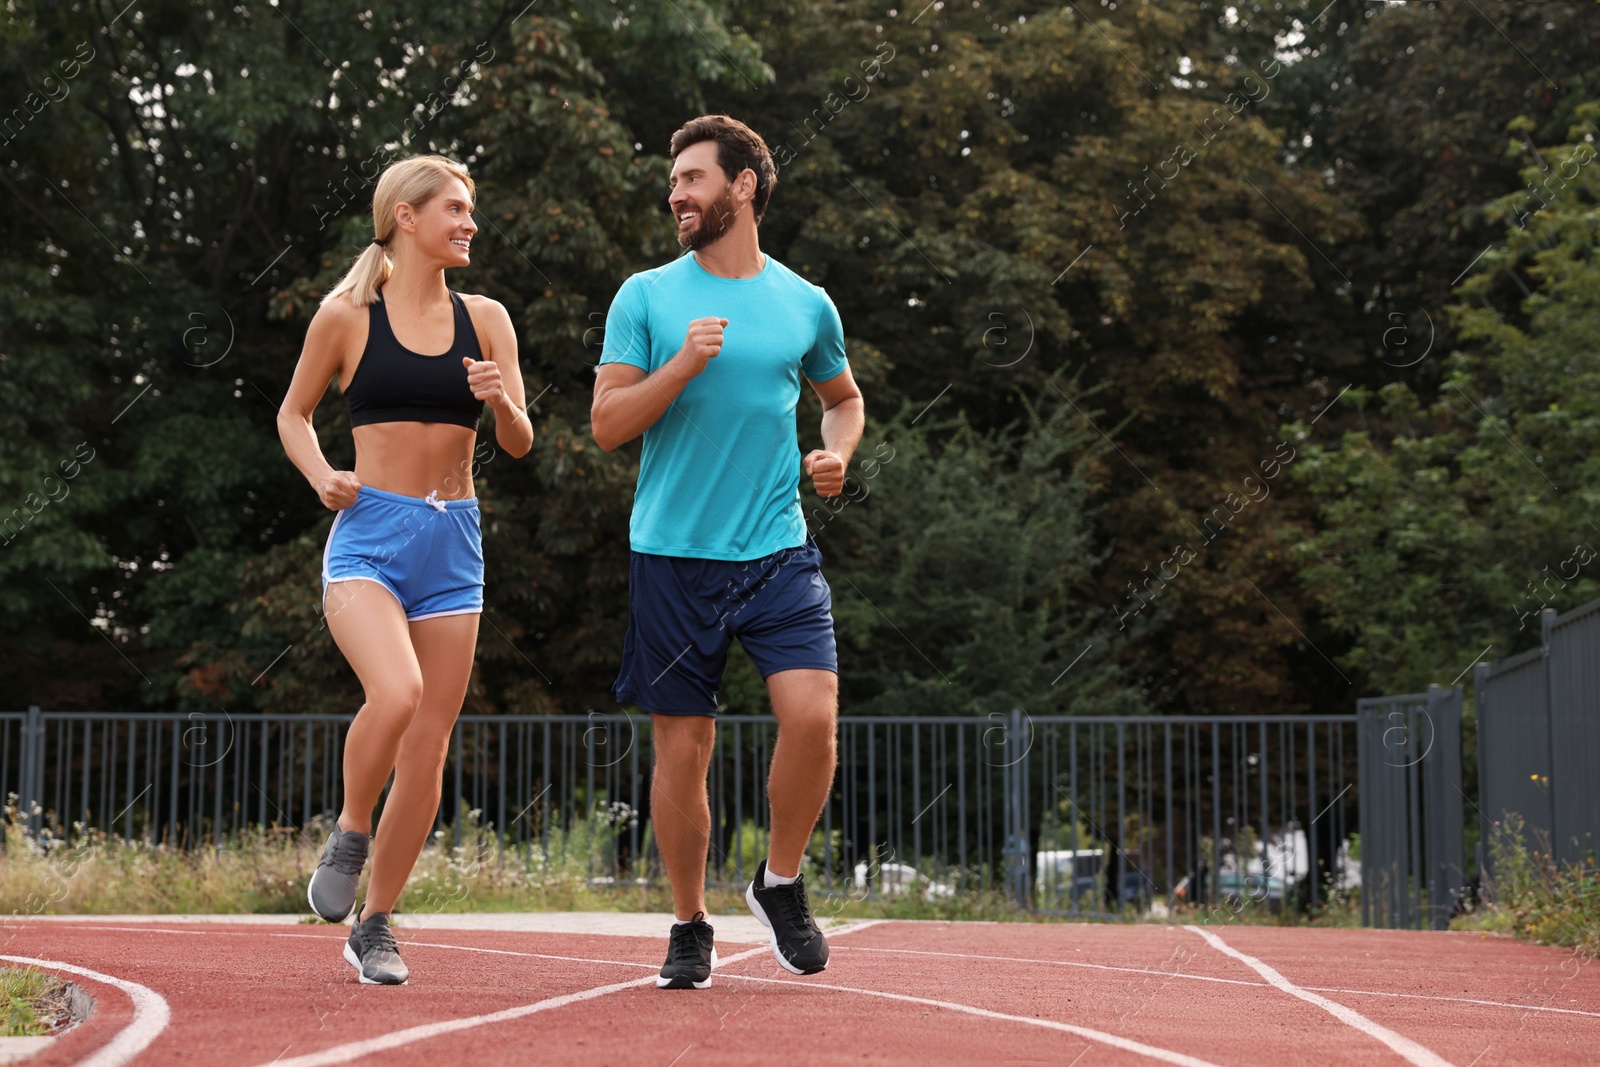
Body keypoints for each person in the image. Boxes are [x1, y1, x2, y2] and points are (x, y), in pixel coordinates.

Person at [590, 115, 865, 990]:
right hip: (671, 555)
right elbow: (605, 427)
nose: (677, 192)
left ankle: (779, 881)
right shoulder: (645, 295)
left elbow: (843, 398)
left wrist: (836, 454)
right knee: (684, 750)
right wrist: (676, 368)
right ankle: (687, 921)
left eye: (693, 178)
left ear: (742, 187)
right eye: (674, 180)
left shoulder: (804, 302)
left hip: (777, 548)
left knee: (814, 717)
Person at [277, 154, 532, 985]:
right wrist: (322, 477)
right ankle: (353, 825)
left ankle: (375, 921)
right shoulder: (346, 315)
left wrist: (500, 399)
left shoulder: (488, 316)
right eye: (455, 208)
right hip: (369, 535)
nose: (470, 222)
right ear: (407, 217)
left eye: (472, 209)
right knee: (398, 692)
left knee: (427, 747)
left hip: (453, 538)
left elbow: (522, 441)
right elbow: (294, 413)